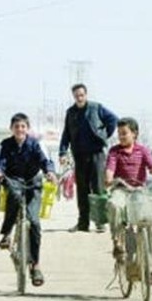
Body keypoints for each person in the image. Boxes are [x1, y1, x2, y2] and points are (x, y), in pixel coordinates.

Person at [0, 113, 58, 286]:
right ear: (11, 129)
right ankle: (6, 234)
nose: (20, 130)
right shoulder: (5, 145)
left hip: (32, 183)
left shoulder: (36, 144)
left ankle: (35, 265)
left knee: (34, 223)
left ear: (27, 129)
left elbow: (46, 161)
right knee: (14, 196)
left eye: (23, 126)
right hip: (13, 181)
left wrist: (50, 172)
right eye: (16, 126)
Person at [58, 83, 118, 233]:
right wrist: (62, 152)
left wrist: (104, 135)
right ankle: (83, 223)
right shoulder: (71, 112)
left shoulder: (96, 108)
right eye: (76, 96)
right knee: (82, 190)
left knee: (98, 188)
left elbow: (113, 119)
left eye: (81, 95)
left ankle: (100, 222)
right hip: (79, 155)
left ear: (86, 95)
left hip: (96, 154)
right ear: (73, 96)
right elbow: (66, 134)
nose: (79, 98)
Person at [104, 118, 152, 257]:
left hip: (139, 190)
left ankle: (149, 252)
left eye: (124, 133)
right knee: (114, 205)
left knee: (149, 217)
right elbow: (110, 169)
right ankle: (117, 240)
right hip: (121, 189)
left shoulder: (142, 150)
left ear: (134, 134)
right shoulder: (114, 151)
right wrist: (108, 179)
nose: (121, 136)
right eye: (119, 134)